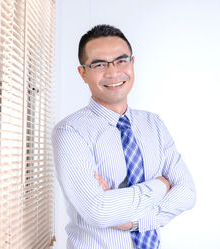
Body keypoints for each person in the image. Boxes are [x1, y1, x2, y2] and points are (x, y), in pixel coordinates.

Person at [51, 24, 196, 249]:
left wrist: (134, 222)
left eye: (121, 60)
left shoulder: (153, 124)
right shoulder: (70, 131)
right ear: (83, 73)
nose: (113, 72)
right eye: (99, 64)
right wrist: (161, 185)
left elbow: (187, 192)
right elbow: (99, 211)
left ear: (132, 63)